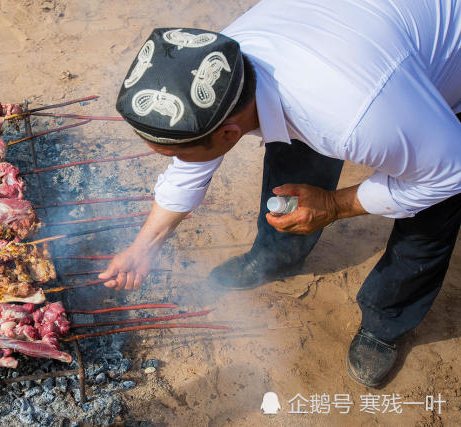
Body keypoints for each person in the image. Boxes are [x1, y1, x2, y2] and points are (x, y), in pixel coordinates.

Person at [99, 0, 461, 388]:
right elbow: (189, 167)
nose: (177, 161)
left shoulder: (356, 118)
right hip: (352, 47)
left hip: (434, 77)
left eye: (175, 153)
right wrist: (143, 247)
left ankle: (387, 319)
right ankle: (276, 257)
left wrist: (335, 205)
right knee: (291, 152)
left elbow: (451, 171)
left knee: (431, 206)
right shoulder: (221, 67)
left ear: (229, 135)